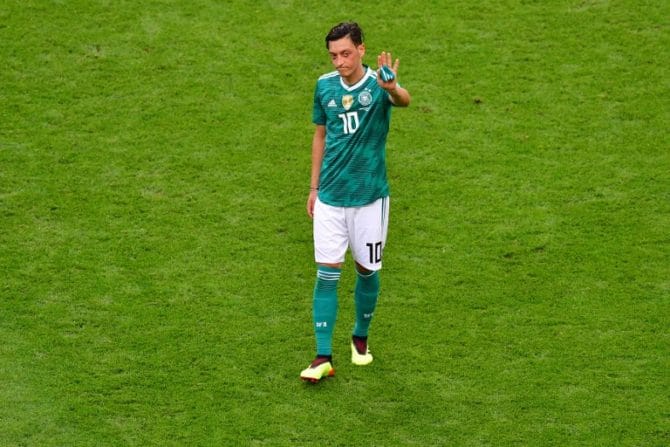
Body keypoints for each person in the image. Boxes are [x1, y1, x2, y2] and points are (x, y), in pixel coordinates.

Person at [300, 22, 411, 382]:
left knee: (366, 272)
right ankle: (322, 356)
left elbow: (403, 100)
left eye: (345, 53)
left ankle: (360, 337)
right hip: (331, 198)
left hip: (369, 200)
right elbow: (320, 135)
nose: (339, 61)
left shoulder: (379, 83)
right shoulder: (324, 86)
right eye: (333, 55)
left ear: (361, 50)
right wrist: (314, 188)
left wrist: (393, 87)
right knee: (326, 274)